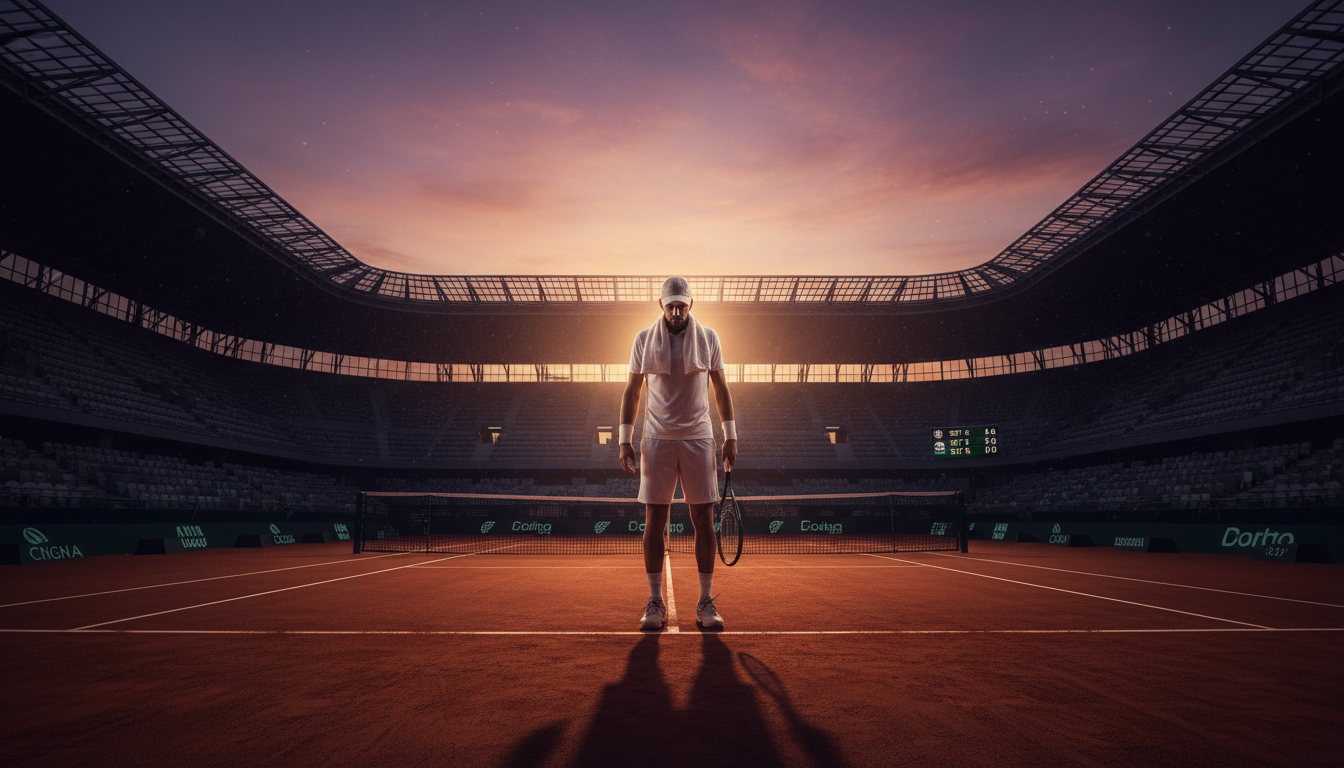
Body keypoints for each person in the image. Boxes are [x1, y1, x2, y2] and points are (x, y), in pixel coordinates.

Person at [619, 277, 737, 631]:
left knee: (703, 520)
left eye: (681, 306)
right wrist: (624, 439)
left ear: (690, 304)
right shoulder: (642, 339)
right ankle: (655, 602)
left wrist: (730, 435)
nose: (675, 311)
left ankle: (705, 602)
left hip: (699, 438)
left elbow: (720, 386)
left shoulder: (710, 338)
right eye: (670, 305)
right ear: (661, 305)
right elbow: (631, 390)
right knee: (655, 520)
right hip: (656, 438)